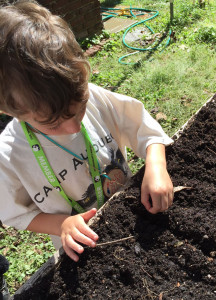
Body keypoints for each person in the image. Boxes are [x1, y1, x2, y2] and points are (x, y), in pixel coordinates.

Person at [0, 1, 174, 262]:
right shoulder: (8, 156)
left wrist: (157, 167)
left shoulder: (96, 98)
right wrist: (61, 225)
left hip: (134, 218)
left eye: (79, 108)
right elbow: (15, 214)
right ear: (9, 110)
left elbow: (145, 130)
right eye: (52, 123)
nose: (73, 127)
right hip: (85, 248)